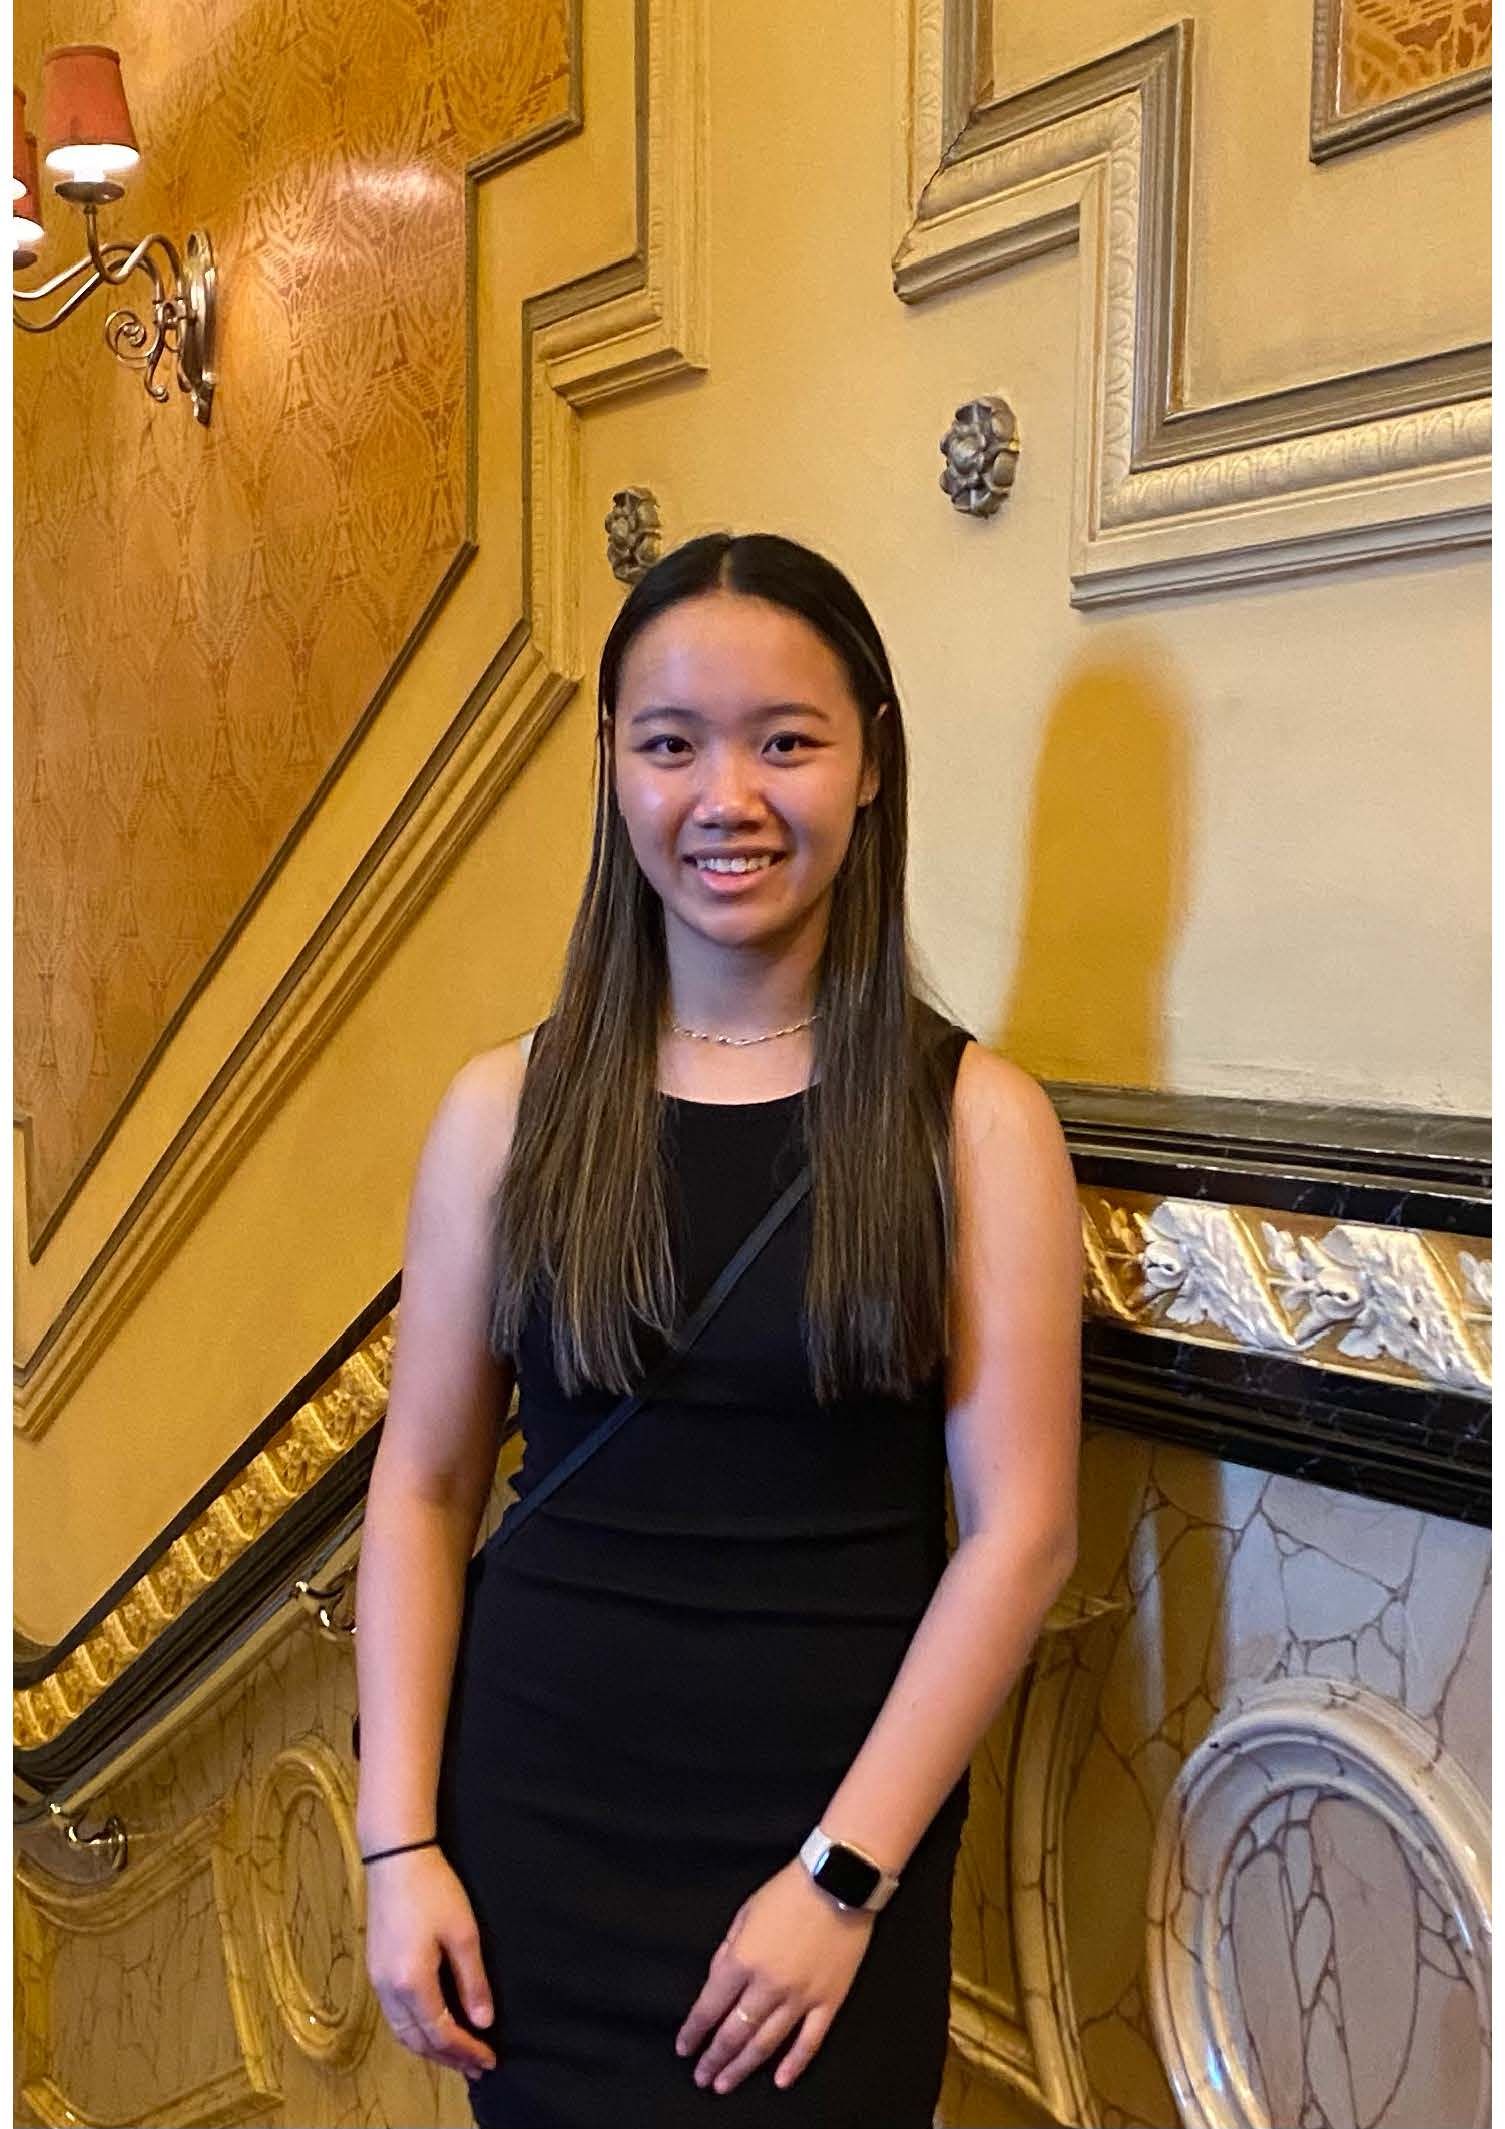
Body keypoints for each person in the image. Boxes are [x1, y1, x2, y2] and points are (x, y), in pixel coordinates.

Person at [353, 530, 1082, 2126]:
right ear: (613, 766)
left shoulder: (973, 1124)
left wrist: (839, 1878)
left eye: (786, 740)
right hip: (534, 1825)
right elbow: (420, 1489)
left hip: (826, 1849)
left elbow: (1018, 1534)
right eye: (669, 741)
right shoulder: (507, 1110)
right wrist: (397, 1841)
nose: (723, 797)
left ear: (869, 762)